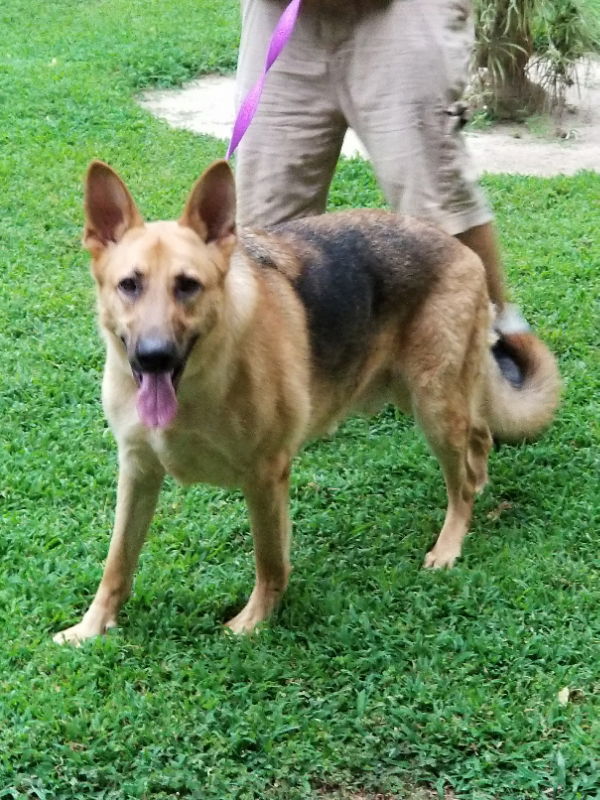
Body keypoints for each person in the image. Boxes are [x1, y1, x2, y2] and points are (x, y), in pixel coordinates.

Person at [234, 0, 508, 309]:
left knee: (434, 204)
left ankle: (498, 333)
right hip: (282, 15)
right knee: (265, 229)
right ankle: (293, 349)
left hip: (405, 14)